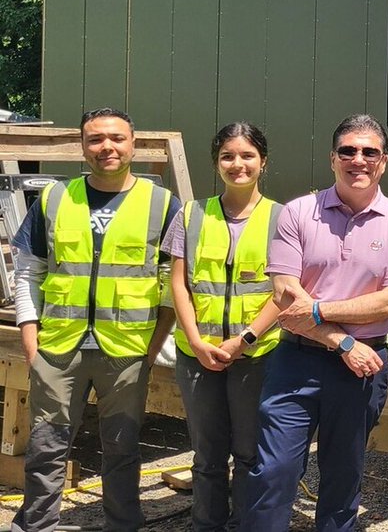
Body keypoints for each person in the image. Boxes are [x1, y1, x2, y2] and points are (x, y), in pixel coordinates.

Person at [242, 114, 388, 531]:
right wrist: (343, 342)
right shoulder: (298, 213)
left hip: (363, 368)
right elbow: (286, 295)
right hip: (297, 362)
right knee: (273, 472)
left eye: (369, 152)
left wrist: (320, 312)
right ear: (332, 158)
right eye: (348, 151)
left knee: (343, 477)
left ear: (383, 161)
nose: (358, 160)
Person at [10, 107, 181, 532]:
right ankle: (37, 526)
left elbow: (171, 284)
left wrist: (154, 345)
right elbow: (28, 273)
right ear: (83, 147)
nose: (107, 147)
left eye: (117, 138)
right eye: (96, 139)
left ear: (133, 144)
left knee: (122, 449)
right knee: (46, 448)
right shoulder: (54, 199)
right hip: (58, 348)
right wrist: (31, 339)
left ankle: (123, 525)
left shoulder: (161, 204)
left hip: (126, 352)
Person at [166, 122, 281, 532]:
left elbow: (284, 292)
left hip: (257, 354)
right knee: (207, 455)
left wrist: (244, 339)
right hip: (197, 355)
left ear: (263, 162)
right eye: (227, 156)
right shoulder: (190, 214)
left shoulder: (282, 218)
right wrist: (196, 342)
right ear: (216, 163)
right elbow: (178, 283)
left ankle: (245, 524)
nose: (238, 164)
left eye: (248, 155)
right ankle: (207, 525)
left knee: (250, 452)